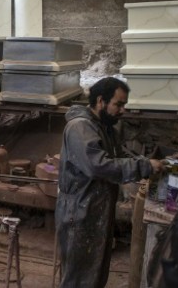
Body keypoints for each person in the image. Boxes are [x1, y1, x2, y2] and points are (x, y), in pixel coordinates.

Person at [56, 77, 162, 288]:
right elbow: (99, 166)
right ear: (101, 101)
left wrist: (146, 164)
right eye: (118, 104)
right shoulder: (80, 128)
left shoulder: (105, 128)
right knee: (78, 279)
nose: (123, 110)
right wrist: (144, 166)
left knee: (94, 275)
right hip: (78, 214)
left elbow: (119, 158)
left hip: (97, 212)